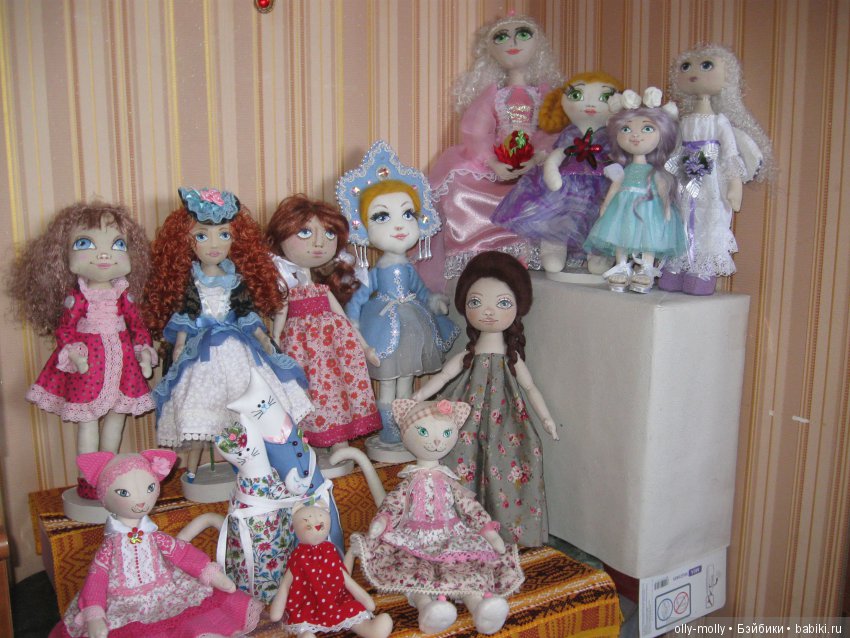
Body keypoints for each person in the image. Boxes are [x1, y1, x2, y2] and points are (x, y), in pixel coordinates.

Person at [144, 187, 311, 480]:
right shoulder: (192, 282)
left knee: (250, 406)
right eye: (202, 236)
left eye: (224, 235)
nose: (214, 244)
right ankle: (192, 469)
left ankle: (253, 463)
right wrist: (180, 350)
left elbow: (246, 315)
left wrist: (264, 339)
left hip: (238, 350)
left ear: (236, 239)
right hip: (202, 356)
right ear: (184, 241)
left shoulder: (235, 279)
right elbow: (185, 320)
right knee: (201, 412)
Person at [8, 201, 155, 499]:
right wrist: (73, 352)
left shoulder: (123, 295)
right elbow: (66, 330)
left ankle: (108, 474)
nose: (104, 254)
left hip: (124, 363)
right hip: (90, 365)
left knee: (117, 417)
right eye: (85, 243)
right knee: (88, 422)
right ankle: (89, 479)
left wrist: (143, 350)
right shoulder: (78, 298)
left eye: (117, 244)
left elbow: (137, 326)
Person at [413, 251, 558, 547]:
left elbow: (530, 388)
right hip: (466, 414)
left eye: (502, 303)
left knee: (511, 459)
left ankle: (503, 531)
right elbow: (443, 376)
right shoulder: (469, 355)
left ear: (518, 308)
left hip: (506, 420)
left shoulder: (511, 358)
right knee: (458, 454)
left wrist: (546, 419)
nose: (488, 312)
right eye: (476, 302)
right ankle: (456, 527)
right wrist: (419, 396)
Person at [419, 12, 563, 291]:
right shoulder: (494, 95)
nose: (512, 42)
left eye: (523, 34)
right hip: (498, 163)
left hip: (535, 163)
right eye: (501, 37)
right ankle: (478, 249)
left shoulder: (545, 94)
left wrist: (538, 157)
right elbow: (477, 131)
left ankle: (539, 251)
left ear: (538, 45)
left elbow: (551, 130)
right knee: (458, 187)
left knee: (560, 183)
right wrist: (492, 161)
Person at [265, 195, 381, 451]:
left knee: (336, 391)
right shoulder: (288, 288)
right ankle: (309, 444)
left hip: (334, 349)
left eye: (329, 234)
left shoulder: (323, 289)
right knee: (307, 391)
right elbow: (280, 320)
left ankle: (340, 441)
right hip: (301, 350)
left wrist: (364, 347)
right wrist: (273, 349)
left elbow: (343, 319)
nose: (319, 243)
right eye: (305, 232)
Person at [661, 44, 774, 295]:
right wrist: (667, 181)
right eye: (686, 67)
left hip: (710, 177)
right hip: (685, 175)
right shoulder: (685, 121)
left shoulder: (719, 122)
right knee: (682, 217)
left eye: (706, 66)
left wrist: (734, 184)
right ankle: (677, 264)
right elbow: (677, 150)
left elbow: (730, 153)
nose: (694, 73)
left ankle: (701, 271)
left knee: (710, 217)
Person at [583, 89, 687, 293]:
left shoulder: (655, 172)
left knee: (649, 236)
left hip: (649, 207)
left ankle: (646, 267)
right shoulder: (623, 169)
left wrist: (666, 207)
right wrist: (606, 205)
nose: (636, 135)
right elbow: (616, 185)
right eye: (626, 129)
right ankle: (622, 265)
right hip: (623, 207)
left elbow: (662, 189)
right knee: (620, 234)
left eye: (647, 129)